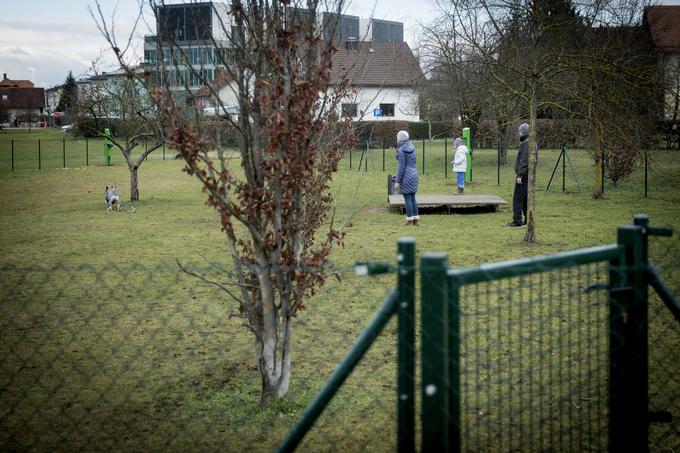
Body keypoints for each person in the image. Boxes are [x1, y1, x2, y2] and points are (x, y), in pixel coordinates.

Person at [394, 130, 419, 226]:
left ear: (400, 139)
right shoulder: (412, 147)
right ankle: (416, 220)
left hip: (406, 176)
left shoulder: (401, 150)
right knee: (413, 198)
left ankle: (409, 221)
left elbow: (401, 167)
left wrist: (397, 181)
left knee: (407, 198)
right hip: (414, 174)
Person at [507, 122, 530, 227]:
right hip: (527, 175)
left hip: (523, 175)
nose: (519, 134)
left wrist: (520, 175)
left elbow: (524, 161)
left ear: (523, 132)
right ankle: (527, 220)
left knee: (517, 198)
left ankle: (517, 221)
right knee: (524, 198)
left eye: (520, 132)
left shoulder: (526, 143)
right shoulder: (529, 142)